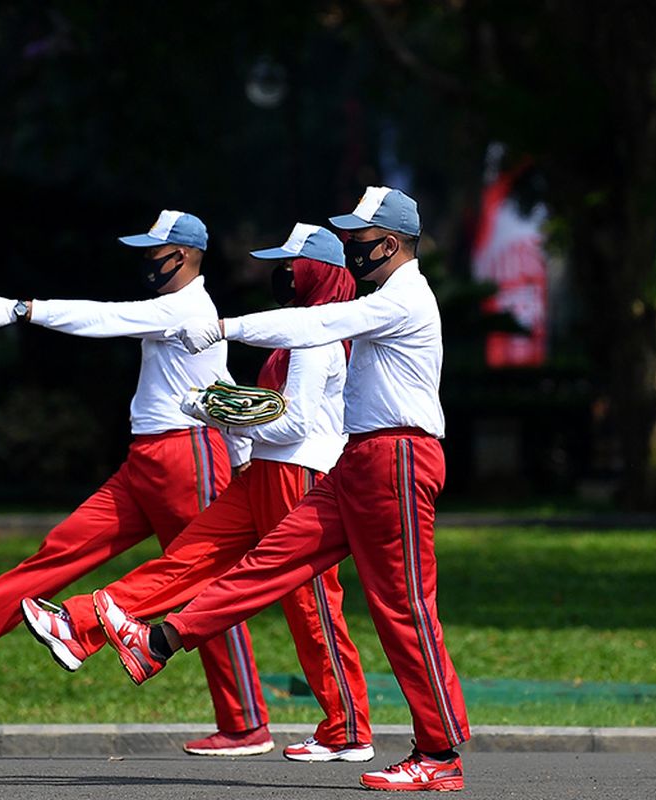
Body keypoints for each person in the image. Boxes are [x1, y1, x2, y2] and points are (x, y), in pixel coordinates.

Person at [96, 188, 471, 792]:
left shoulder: (404, 298)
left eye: (359, 239)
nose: (350, 249)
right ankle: (159, 642)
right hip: (361, 459)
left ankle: (439, 753)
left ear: (393, 244)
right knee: (271, 561)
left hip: (398, 458)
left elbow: (317, 323)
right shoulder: (385, 296)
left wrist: (223, 326)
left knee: (404, 608)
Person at [0, 210, 272, 755]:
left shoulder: (185, 306)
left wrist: (23, 310)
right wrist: (243, 450)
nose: (145, 261)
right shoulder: (183, 310)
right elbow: (221, 382)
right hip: (149, 460)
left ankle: (246, 722)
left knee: (200, 586)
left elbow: (104, 319)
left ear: (182, 256)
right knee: (65, 545)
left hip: (187, 457)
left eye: (154, 252)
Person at [21, 223, 373, 762]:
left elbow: (294, 424)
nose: (280, 273)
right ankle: (79, 624)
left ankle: (347, 729)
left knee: (312, 607)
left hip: (299, 475)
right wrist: (228, 411)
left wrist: (219, 415)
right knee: (187, 558)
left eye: (290, 265)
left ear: (316, 272)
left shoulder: (314, 335)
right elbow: (270, 410)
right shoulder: (297, 328)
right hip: (265, 472)